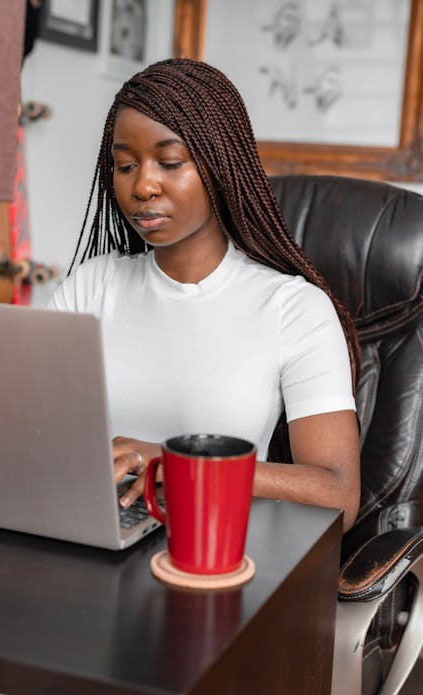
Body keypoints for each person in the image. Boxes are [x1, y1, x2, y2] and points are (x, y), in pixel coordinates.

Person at [48, 58, 361, 530]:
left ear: (218, 164)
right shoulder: (93, 286)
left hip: (217, 545)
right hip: (88, 525)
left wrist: (177, 464)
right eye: (125, 165)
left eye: (169, 163)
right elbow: (26, 425)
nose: (143, 185)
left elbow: (337, 492)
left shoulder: (292, 309)